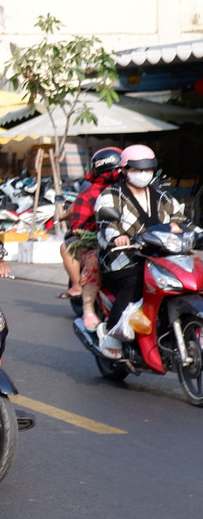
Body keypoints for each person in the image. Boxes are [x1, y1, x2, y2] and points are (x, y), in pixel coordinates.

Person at [94, 144, 185, 359]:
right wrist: (117, 236)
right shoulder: (110, 195)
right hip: (123, 260)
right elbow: (107, 223)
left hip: (161, 258)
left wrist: (183, 228)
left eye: (148, 169)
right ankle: (111, 331)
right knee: (135, 282)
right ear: (124, 170)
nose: (143, 174)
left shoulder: (162, 197)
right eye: (137, 169)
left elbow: (181, 218)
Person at [64, 147, 122, 331]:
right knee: (94, 261)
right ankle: (88, 310)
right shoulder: (90, 194)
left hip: (133, 242)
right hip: (99, 243)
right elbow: (77, 226)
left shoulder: (134, 190)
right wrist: (100, 231)